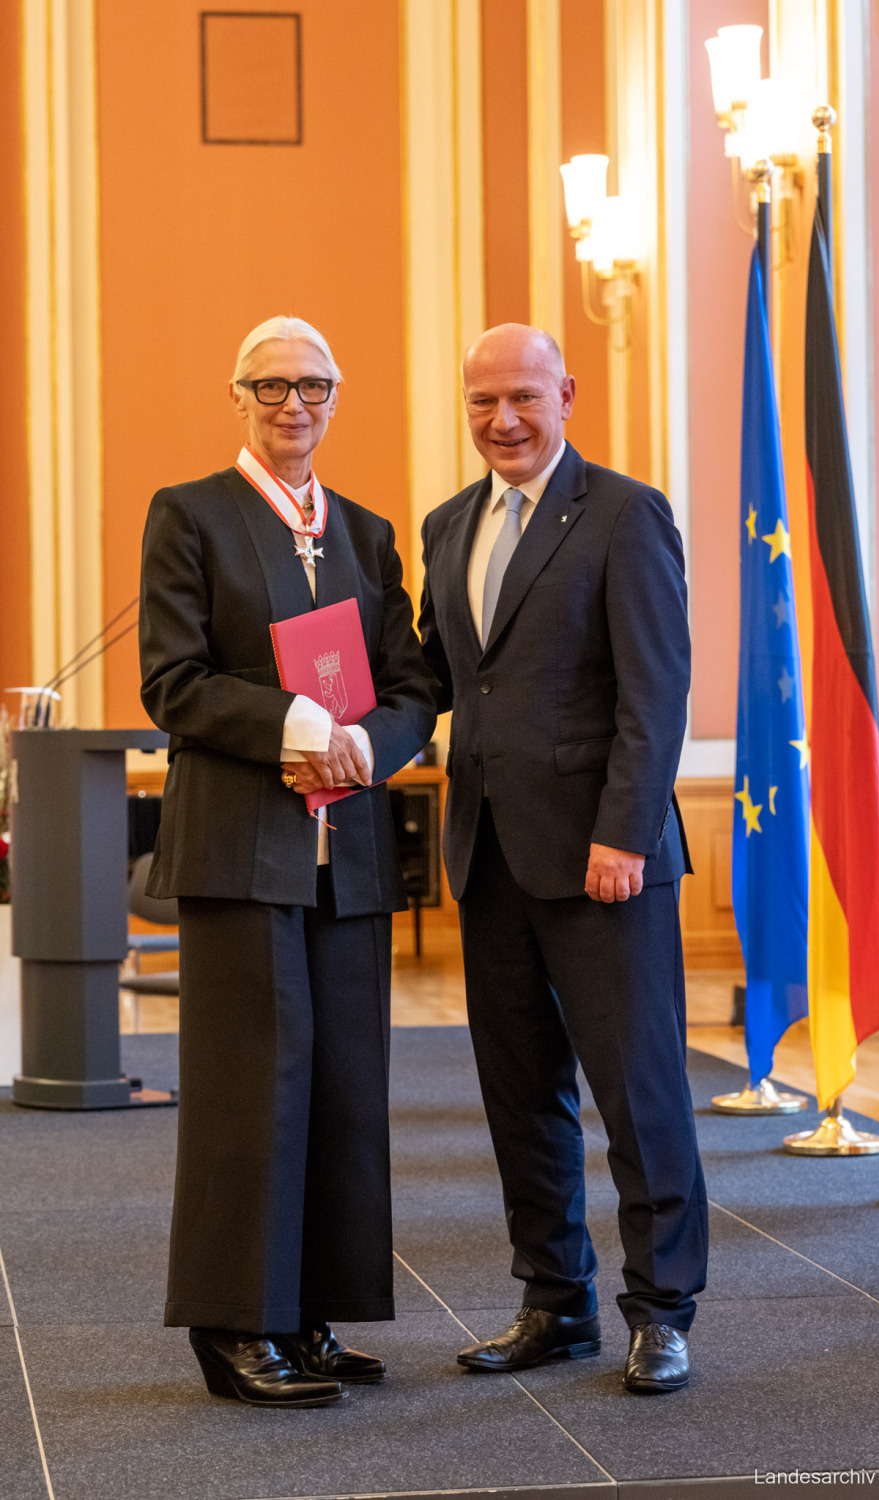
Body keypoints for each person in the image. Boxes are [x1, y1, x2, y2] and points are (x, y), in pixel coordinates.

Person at [139, 316, 436, 1407]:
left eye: (311, 384)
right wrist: (296, 726)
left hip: (344, 853)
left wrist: (373, 742)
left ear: (335, 396)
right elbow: (171, 683)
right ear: (238, 395)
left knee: (343, 1090)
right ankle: (233, 1327)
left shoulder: (364, 533)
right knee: (250, 1089)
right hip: (243, 848)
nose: (291, 404)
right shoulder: (191, 516)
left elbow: (412, 685)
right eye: (269, 385)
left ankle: (308, 1318)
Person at [418, 323, 707, 1394]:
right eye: (483, 400)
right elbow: (438, 681)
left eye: (523, 399)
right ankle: (554, 1300)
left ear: (565, 395)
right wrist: (324, 714)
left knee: (638, 1094)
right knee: (520, 1095)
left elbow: (655, 691)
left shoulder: (625, 515)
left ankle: (662, 1309)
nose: (503, 420)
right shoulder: (448, 528)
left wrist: (623, 833)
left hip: (603, 864)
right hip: (488, 860)